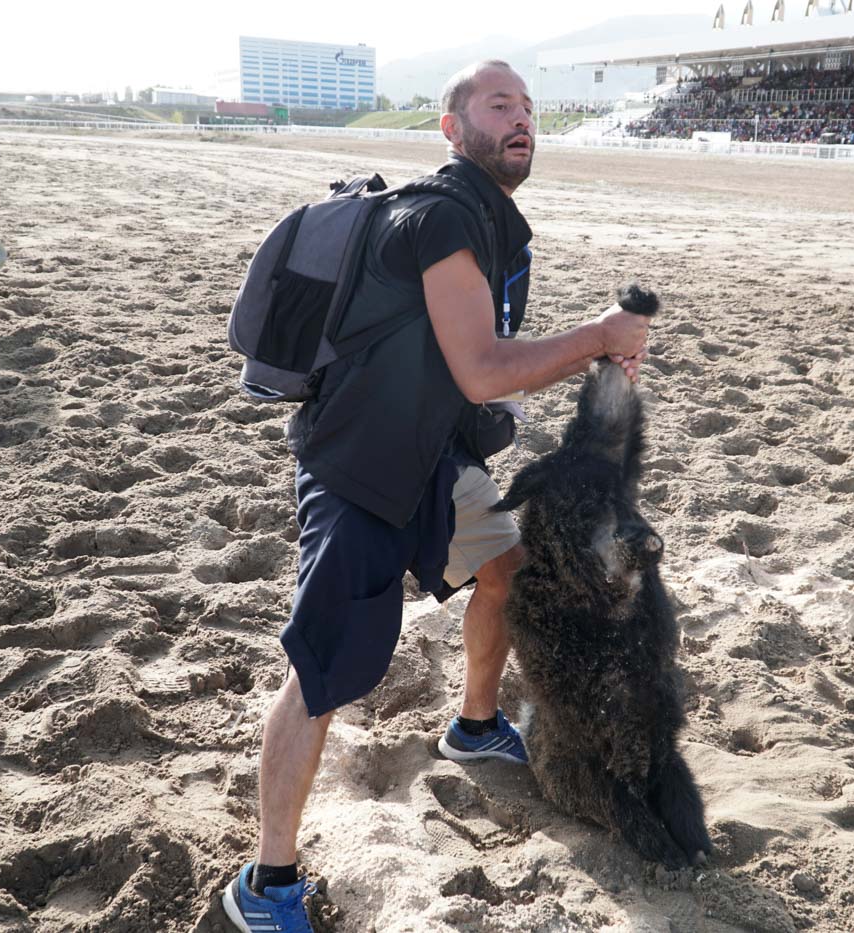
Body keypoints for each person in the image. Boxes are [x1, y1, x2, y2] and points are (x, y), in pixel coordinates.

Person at [221, 60, 651, 933]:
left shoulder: (494, 224)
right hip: (361, 471)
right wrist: (600, 338)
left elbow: (463, 376)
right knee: (324, 668)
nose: (521, 117)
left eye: (528, 107)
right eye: (499, 104)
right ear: (452, 130)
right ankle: (264, 885)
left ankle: (476, 723)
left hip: (434, 459)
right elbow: (483, 367)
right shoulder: (439, 215)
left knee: (512, 574)